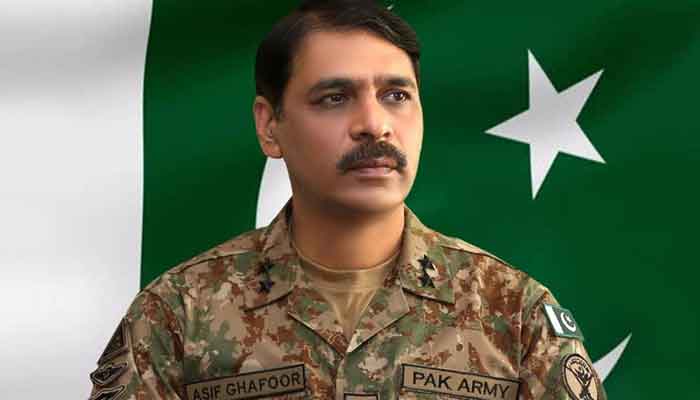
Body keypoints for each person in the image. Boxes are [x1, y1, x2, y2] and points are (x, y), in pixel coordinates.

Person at [88, 1, 606, 399]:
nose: (374, 124)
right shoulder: (179, 315)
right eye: (335, 98)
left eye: (396, 96)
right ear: (269, 126)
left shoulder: (514, 313)